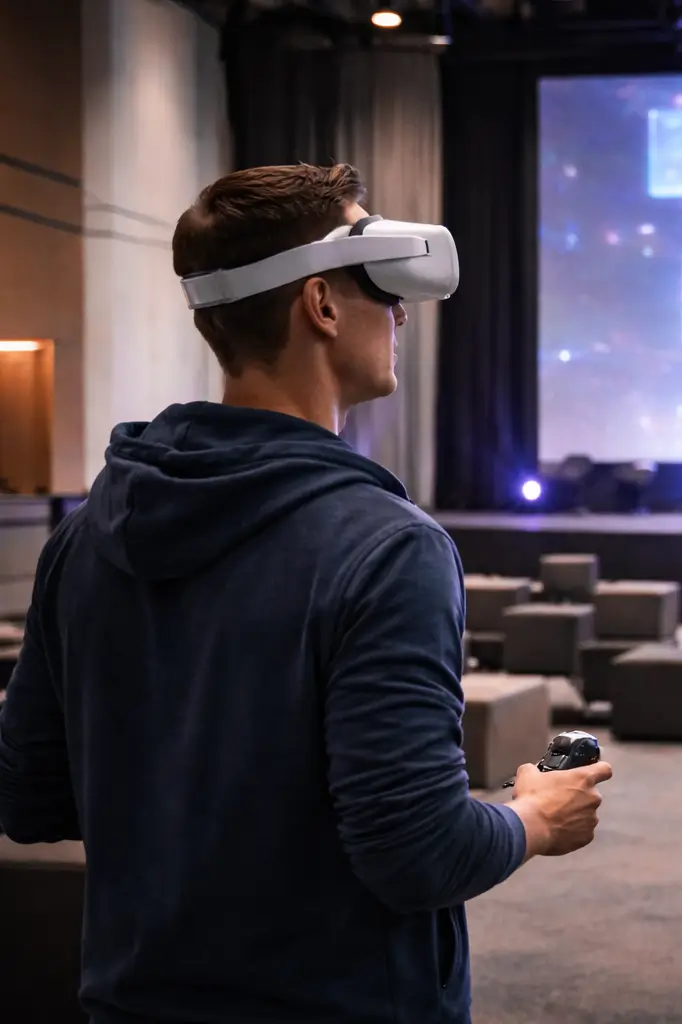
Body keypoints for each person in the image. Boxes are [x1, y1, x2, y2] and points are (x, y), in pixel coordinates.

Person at [0, 163, 613, 1023]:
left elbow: (29, 798)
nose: (400, 311)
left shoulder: (84, 535)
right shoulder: (390, 548)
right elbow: (419, 853)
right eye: (381, 287)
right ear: (321, 304)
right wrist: (536, 817)